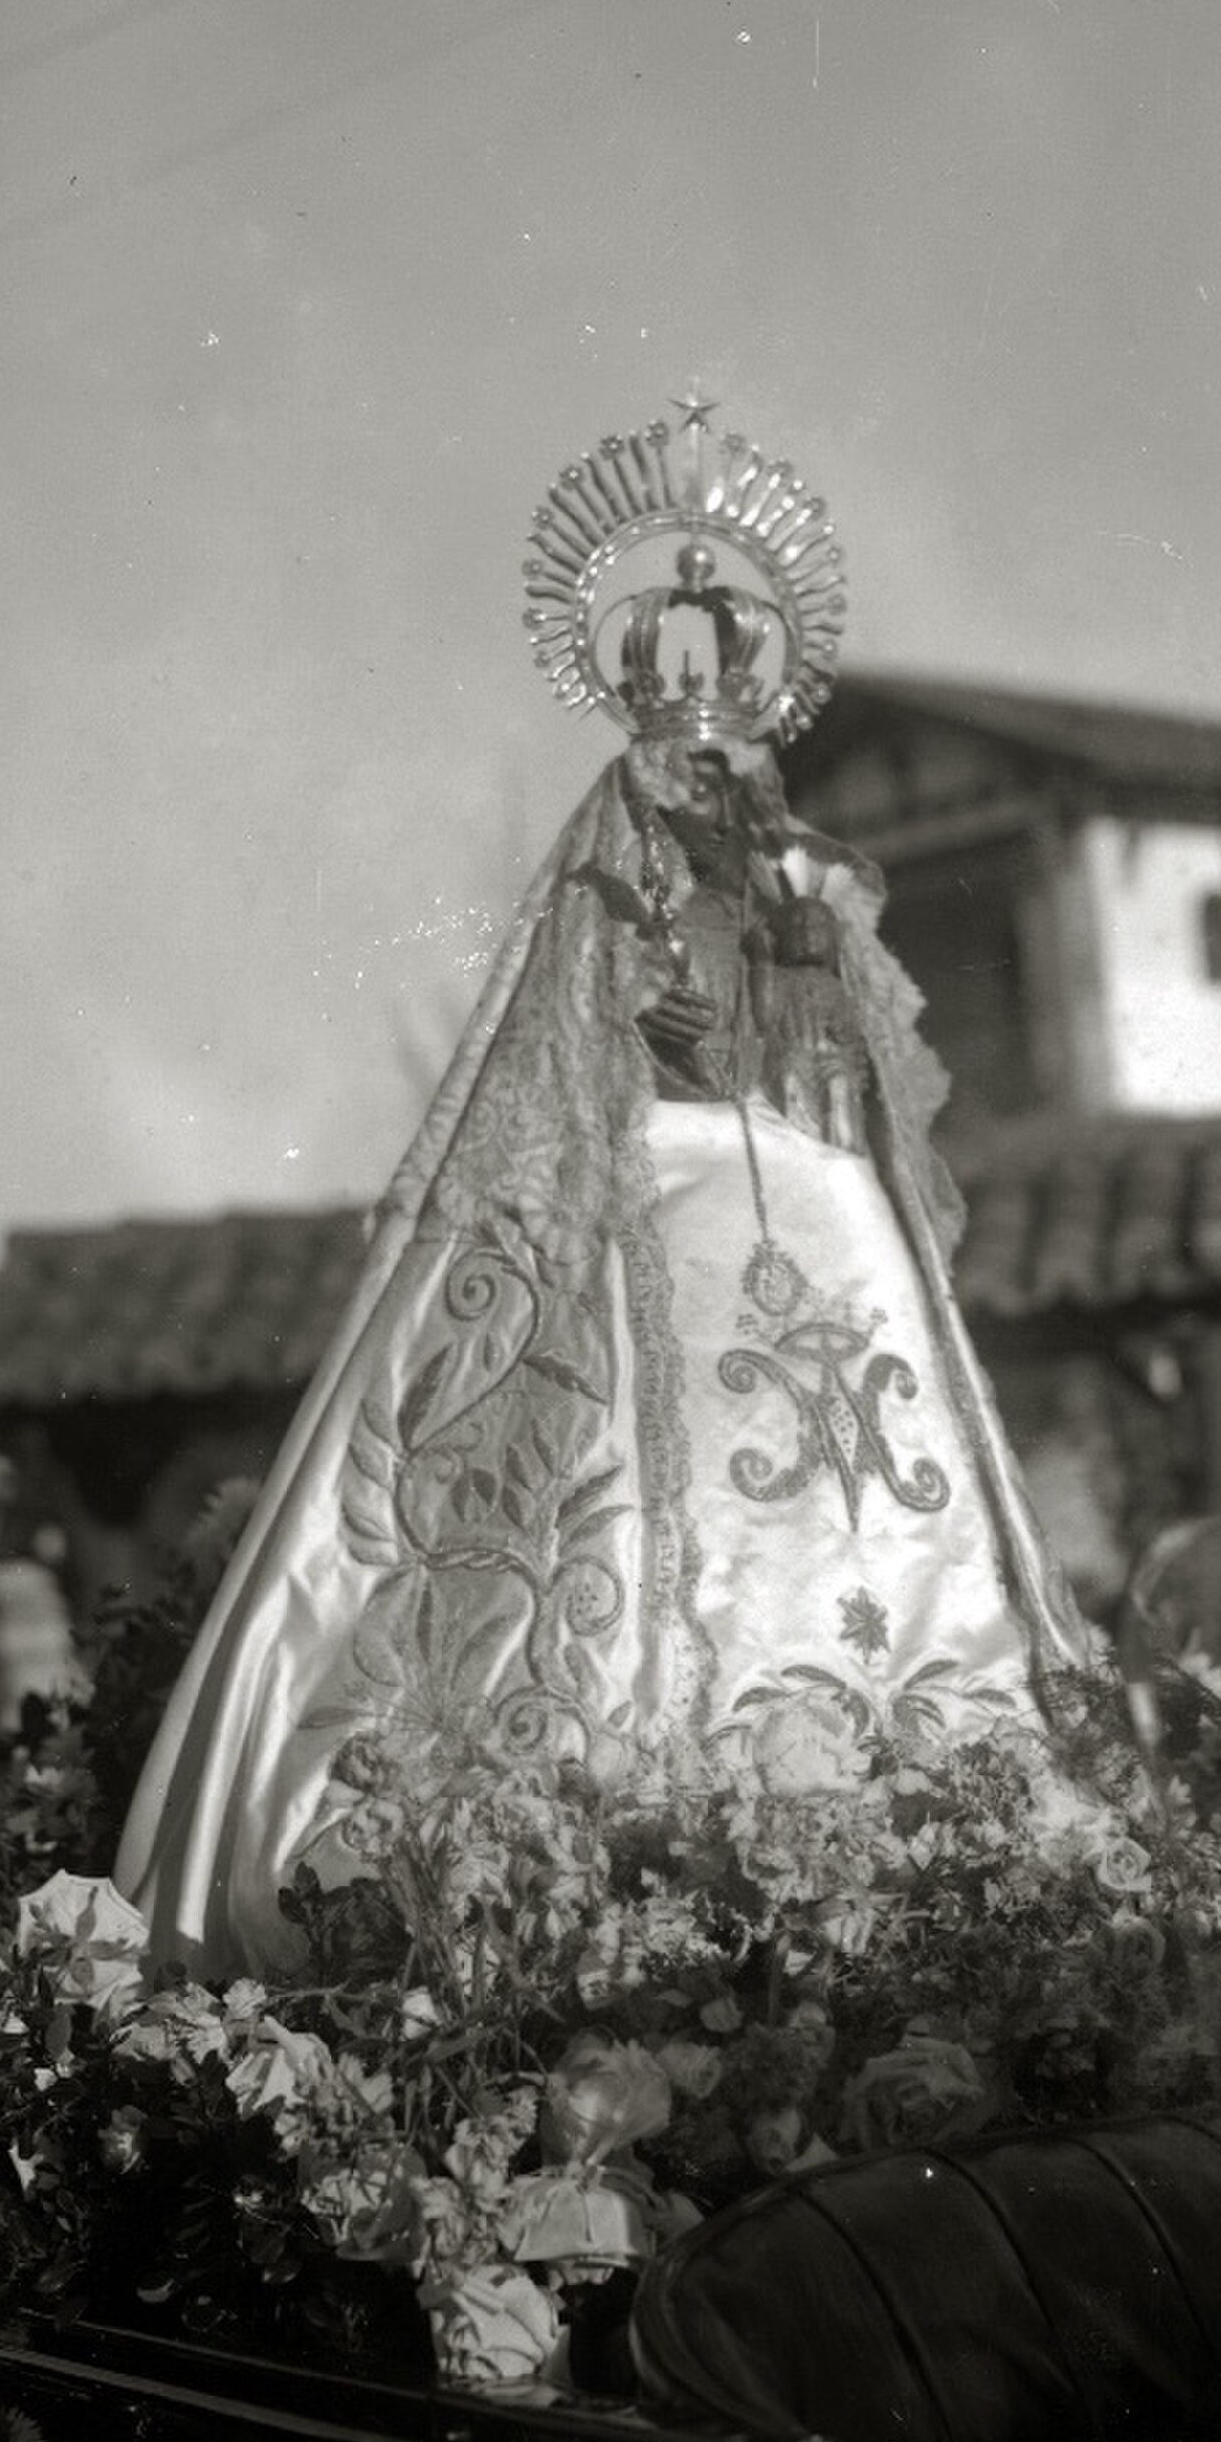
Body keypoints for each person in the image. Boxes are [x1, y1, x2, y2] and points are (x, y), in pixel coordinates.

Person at [116, 413, 1086, 1972]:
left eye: (733, 744)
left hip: (825, 1216)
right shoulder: (613, 865)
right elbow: (581, 1033)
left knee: (906, 1550)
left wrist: (796, 965)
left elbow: (846, 1047)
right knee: (627, 1547)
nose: (713, 772)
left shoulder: (794, 875)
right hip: (656, 1199)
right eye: (680, 738)